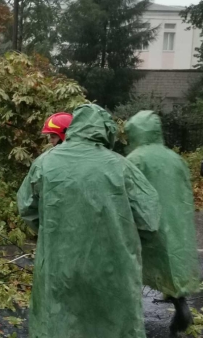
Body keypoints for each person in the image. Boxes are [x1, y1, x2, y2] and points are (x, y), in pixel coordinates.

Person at [17, 104, 160, 338]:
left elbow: (27, 208)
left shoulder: (45, 163)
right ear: (106, 130)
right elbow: (149, 219)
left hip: (60, 263)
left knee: (59, 321)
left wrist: (54, 230)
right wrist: (129, 241)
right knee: (113, 324)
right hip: (114, 267)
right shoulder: (122, 166)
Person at [125, 111, 202, 337]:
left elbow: (127, 192)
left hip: (145, 222)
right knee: (169, 264)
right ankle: (180, 306)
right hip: (173, 220)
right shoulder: (174, 158)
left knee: (132, 266)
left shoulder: (135, 159)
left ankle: (129, 316)